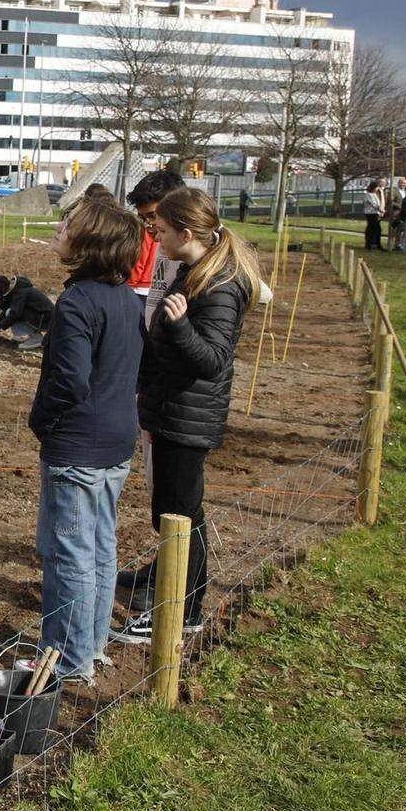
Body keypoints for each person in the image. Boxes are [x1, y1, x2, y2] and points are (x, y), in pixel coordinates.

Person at [112, 186, 262, 644]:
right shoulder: (195, 271)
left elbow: (212, 359)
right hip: (172, 408)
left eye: (160, 231)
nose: (154, 238)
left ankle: (181, 611)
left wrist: (177, 327)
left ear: (186, 231)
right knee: (173, 511)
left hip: (188, 414)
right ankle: (176, 599)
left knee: (181, 514)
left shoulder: (219, 284)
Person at [28, 197, 144, 684]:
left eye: (68, 224)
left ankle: (66, 659)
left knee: (69, 552)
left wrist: (42, 419)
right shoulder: (128, 300)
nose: (60, 228)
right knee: (99, 546)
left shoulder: (76, 302)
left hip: (78, 447)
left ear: (90, 242)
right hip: (117, 442)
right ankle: (91, 645)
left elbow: (71, 380)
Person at [124, 169, 187, 327]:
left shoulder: (199, 259)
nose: (148, 225)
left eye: (152, 216)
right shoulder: (162, 245)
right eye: (143, 218)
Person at [0, 273, 54, 351]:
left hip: (46, 320)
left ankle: (36, 339)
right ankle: (36, 337)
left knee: (12, 314)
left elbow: (14, 314)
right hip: (43, 317)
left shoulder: (20, 292)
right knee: (10, 312)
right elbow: (6, 311)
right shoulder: (15, 289)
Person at [364, 179, 385, 253]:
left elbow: (378, 203)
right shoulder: (368, 195)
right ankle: (370, 244)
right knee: (372, 228)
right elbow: (374, 204)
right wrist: (381, 210)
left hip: (376, 213)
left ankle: (376, 243)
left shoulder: (374, 194)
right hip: (371, 213)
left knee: (377, 229)